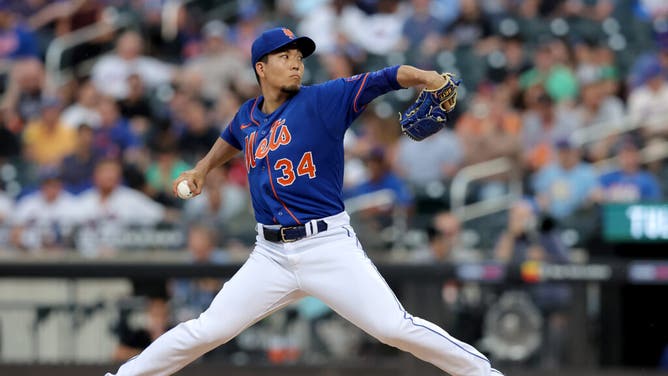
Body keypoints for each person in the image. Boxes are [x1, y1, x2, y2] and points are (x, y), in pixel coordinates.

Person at [106, 27, 503, 376]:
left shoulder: (324, 99)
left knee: (392, 328)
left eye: (299, 57)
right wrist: (202, 168)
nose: (296, 63)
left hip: (326, 246)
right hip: (270, 256)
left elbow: (385, 77)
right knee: (207, 329)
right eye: (285, 57)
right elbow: (232, 136)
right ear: (261, 67)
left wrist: (429, 77)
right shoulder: (247, 114)